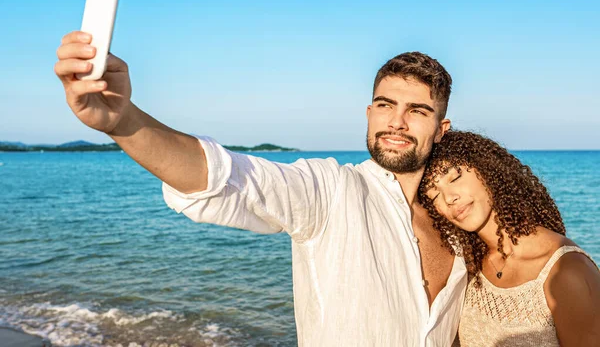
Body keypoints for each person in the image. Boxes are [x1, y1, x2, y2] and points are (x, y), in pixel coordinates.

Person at [54, 30, 468, 346]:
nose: (396, 122)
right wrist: (123, 121)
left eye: (417, 111)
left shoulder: (460, 226)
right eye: (385, 105)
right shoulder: (330, 191)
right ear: (368, 113)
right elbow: (227, 177)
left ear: (441, 129)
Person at [418, 130, 600, 347]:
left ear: (486, 168)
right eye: (435, 195)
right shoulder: (466, 268)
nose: (449, 198)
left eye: (455, 177)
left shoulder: (566, 270)